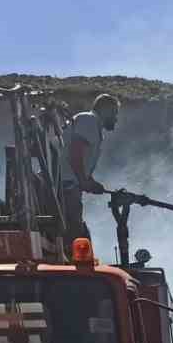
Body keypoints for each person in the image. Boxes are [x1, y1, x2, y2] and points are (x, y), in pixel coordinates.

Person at [59, 94, 119, 246]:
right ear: (105, 110)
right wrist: (83, 180)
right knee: (75, 235)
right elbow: (75, 151)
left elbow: (78, 161)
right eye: (114, 113)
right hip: (65, 187)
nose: (116, 118)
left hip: (68, 185)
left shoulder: (91, 124)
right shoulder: (89, 120)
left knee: (78, 233)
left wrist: (90, 182)